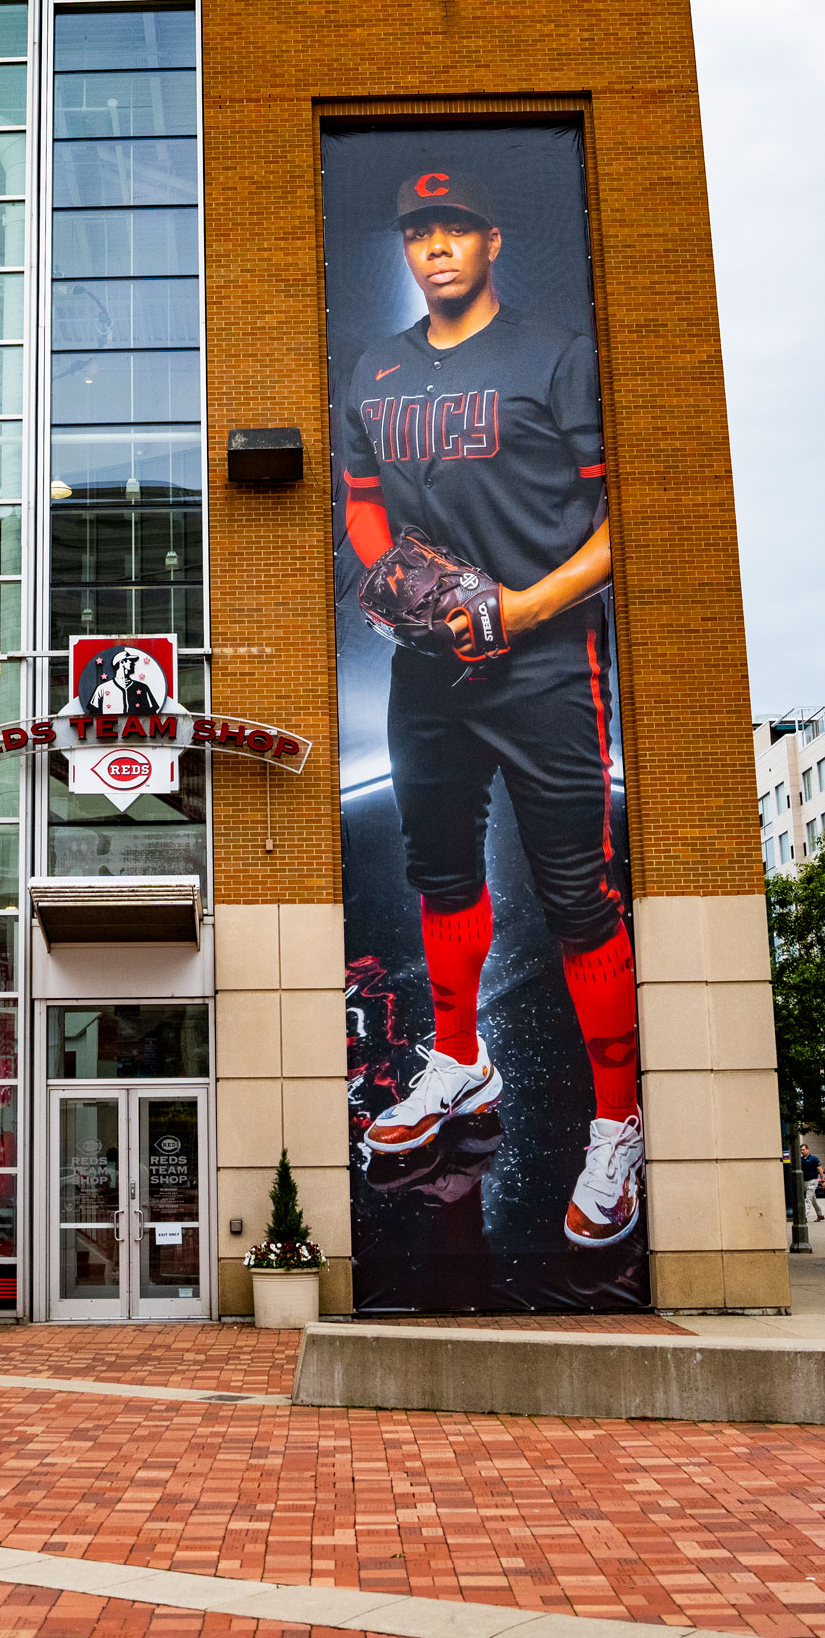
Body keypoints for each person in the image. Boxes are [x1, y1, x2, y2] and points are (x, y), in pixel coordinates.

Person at [342, 166, 640, 1248]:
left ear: (492, 241)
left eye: (454, 229)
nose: (435, 248)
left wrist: (522, 605)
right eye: (419, 231)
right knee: (441, 870)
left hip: (548, 663)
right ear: (406, 248)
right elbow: (364, 509)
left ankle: (617, 1120)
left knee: (573, 890)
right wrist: (404, 591)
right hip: (431, 670)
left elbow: (619, 523)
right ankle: (461, 1061)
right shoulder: (374, 367)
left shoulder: (555, 355)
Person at [803, 1142, 822, 1221]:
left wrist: (823, 1180)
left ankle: (804, 1217)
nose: (802, 1151)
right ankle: (820, 1214)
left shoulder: (813, 1159)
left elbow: (820, 1170)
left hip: (813, 1180)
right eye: (801, 1150)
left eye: (803, 1150)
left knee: (808, 1199)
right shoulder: (801, 1160)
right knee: (813, 1199)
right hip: (805, 1181)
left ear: (807, 1150)